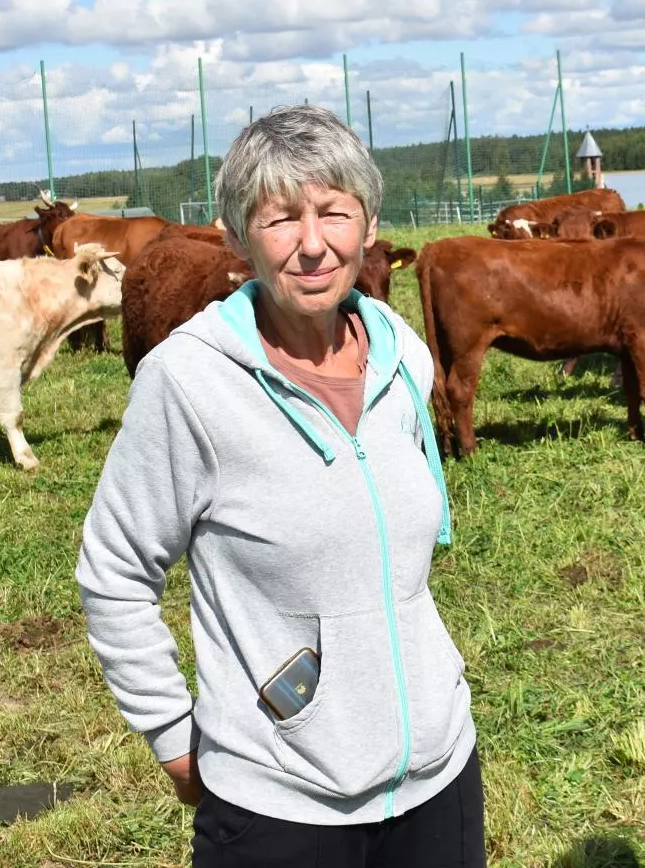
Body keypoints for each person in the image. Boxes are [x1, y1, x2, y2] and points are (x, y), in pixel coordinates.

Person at [78, 104, 482, 867]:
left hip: (440, 773)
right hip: (278, 800)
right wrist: (171, 735)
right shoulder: (190, 382)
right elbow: (115, 571)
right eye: (280, 218)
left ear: (366, 223)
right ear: (235, 238)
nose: (313, 244)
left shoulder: (405, 362)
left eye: (334, 211)